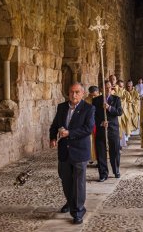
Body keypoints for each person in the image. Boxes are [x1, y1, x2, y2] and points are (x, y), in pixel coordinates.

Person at [49, 82, 95, 225]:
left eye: (76, 92)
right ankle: (70, 202)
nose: (73, 95)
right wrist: (52, 138)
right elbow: (55, 125)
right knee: (66, 179)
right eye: (71, 92)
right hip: (64, 150)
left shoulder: (89, 108)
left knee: (78, 182)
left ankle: (78, 211)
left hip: (80, 150)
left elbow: (88, 128)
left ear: (82, 94)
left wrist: (69, 133)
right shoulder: (62, 107)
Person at [92, 80, 123, 181]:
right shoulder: (96, 100)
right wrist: (100, 123)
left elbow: (119, 112)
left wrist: (109, 107)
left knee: (115, 151)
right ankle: (103, 174)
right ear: (101, 89)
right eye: (105, 88)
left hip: (113, 129)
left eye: (109, 87)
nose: (108, 89)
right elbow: (93, 116)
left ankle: (116, 170)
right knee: (101, 152)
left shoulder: (116, 99)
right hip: (101, 129)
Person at [84, 86, 100, 164]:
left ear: (98, 92)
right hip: (90, 122)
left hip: (99, 122)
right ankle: (91, 157)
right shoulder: (86, 100)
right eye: (92, 95)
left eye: (95, 95)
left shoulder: (101, 99)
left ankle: (99, 158)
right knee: (91, 140)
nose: (93, 97)